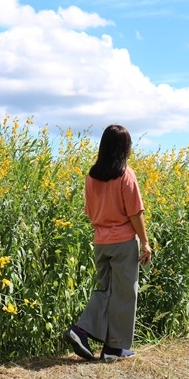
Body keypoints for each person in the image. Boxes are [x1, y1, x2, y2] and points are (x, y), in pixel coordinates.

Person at [63, 124, 152, 362]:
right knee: (124, 294)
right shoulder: (125, 174)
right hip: (123, 242)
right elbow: (135, 212)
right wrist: (145, 242)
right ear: (124, 148)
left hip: (101, 242)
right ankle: (112, 348)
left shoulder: (91, 176)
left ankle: (84, 333)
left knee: (105, 290)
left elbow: (90, 211)